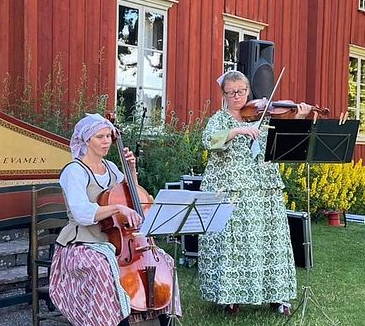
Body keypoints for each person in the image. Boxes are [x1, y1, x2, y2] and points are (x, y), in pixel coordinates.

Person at [197, 70, 312, 316]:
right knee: (234, 245)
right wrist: (237, 131)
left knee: (271, 243)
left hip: (264, 190)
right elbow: (209, 141)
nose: (237, 97)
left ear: (248, 91)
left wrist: (299, 119)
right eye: (231, 93)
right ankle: (231, 296)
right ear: (224, 94)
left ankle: (276, 296)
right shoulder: (220, 119)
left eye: (241, 91)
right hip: (232, 191)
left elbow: (287, 146)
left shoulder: (263, 116)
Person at [49, 113, 181, 326]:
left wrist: (131, 171)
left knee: (166, 261)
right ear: (86, 140)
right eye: (99, 137)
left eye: (108, 136)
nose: (106, 141)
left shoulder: (110, 167)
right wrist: (115, 208)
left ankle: (165, 320)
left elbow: (132, 195)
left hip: (117, 242)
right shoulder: (74, 171)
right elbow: (83, 213)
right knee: (104, 268)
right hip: (84, 243)